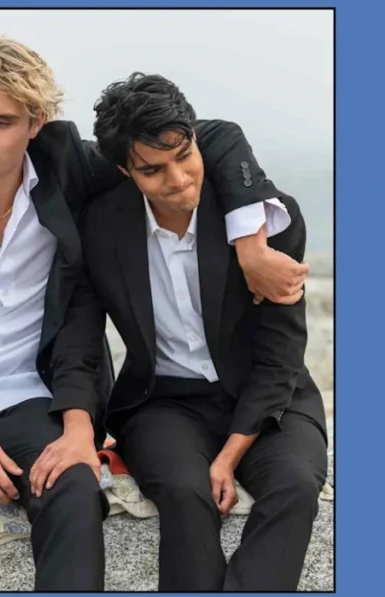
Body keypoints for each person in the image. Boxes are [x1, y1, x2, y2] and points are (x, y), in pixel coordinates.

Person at [0, 35, 311, 592]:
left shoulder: (72, 166)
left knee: (73, 487)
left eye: (2, 122)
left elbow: (201, 139)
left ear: (36, 122)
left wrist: (249, 241)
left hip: (26, 393)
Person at [52, 72, 327, 590]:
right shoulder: (100, 228)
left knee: (294, 485)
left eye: (184, 156)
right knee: (183, 490)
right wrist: (77, 425)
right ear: (124, 171)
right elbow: (81, 336)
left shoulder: (269, 222)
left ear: (196, 140)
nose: (177, 179)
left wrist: (229, 455)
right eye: (153, 170)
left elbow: (281, 352)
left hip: (272, 397)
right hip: (163, 402)